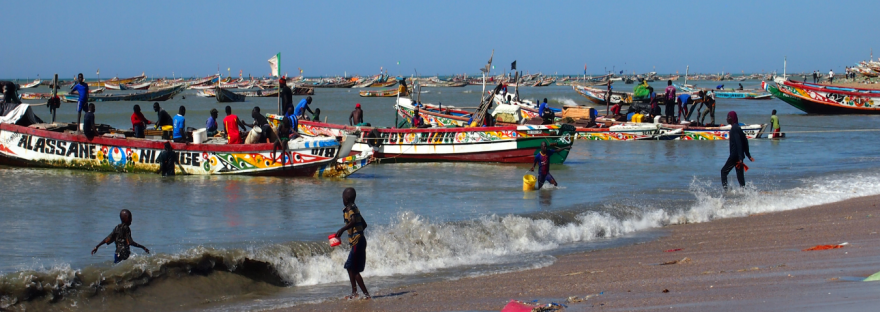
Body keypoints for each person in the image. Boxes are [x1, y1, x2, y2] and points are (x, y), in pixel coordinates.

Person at [335, 187, 371, 300]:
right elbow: (363, 224)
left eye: (343, 197)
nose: (342, 199)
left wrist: (342, 230)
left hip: (357, 242)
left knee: (351, 268)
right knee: (351, 268)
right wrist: (356, 233)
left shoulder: (349, 208)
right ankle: (356, 293)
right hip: (361, 240)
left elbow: (354, 221)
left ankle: (364, 294)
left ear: (346, 199)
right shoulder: (356, 208)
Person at [721, 111, 754, 189]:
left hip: (735, 156)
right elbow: (745, 141)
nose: (726, 119)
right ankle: (745, 193)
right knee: (740, 177)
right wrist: (748, 155)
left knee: (723, 172)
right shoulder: (737, 127)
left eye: (728, 117)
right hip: (738, 156)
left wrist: (740, 158)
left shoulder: (734, 128)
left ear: (732, 118)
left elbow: (739, 143)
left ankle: (726, 191)